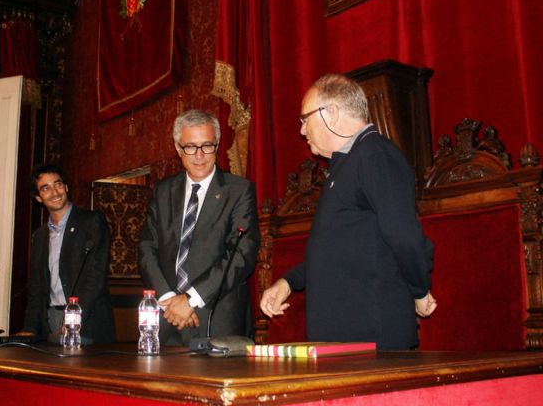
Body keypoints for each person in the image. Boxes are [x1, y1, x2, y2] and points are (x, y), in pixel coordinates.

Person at [259, 74, 436, 350]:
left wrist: (419, 289)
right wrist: (288, 282)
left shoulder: (375, 154)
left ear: (331, 112)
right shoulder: (345, 165)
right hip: (346, 338)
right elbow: (336, 248)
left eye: (305, 119)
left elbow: (403, 234)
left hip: (372, 338)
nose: (302, 131)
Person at [138, 109, 260, 346]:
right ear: (178, 148)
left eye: (207, 146)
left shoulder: (239, 191)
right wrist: (170, 300)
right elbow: (147, 248)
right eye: (191, 147)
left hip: (216, 317)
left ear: (217, 145)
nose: (200, 155)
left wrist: (190, 300)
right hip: (167, 316)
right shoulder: (163, 191)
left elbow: (240, 254)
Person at [18, 164, 115, 344]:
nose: (54, 192)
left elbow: (95, 277)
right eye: (45, 188)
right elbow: (37, 287)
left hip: (87, 321)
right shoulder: (39, 236)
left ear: (66, 187)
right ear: (38, 198)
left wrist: (73, 318)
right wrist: (30, 329)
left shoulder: (92, 222)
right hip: (51, 320)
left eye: (58, 184)